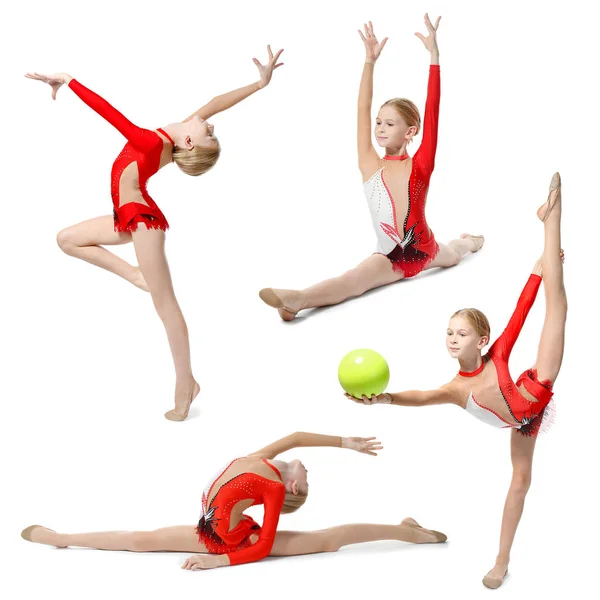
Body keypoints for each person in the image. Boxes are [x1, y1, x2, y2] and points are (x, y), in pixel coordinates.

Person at [25, 46, 284, 420]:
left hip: (143, 221)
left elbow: (110, 114)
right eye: (211, 130)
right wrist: (259, 85)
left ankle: (186, 386)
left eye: (209, 134)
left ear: (190, 144)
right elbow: (215, 103)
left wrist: (69, 81)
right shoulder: (173, 136)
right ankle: (134, 274)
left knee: (166, 306)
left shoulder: (151, 141)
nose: (210, 124)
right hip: (125, 217)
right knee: (67, 239)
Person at [347, 173, 566, 589]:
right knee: (519, 483)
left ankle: (550, 222)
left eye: (461, 334)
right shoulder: (456, 388)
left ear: (482, 340)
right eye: (449, 333)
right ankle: (502, 561)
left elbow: (521, 313)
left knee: (557, 305)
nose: (452, 339)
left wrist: (537, 273)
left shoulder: (496, 355)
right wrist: (384, 399)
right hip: (524, 422)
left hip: (535, 387)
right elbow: (421, 396)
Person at [259, 16, 483, 321]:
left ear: (410, 132)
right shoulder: (370, 164)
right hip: (391, 259)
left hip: (426, 249)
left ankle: (471, 240)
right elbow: (362, 108)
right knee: (353, 281)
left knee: (455, 254)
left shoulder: (420, 165)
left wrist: (434, 56)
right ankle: (297, 299)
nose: (380, 129)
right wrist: (369, 61)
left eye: (390, 124)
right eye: (379, 123)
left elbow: (433, 110)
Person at [21, 431, 446, 569]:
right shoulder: (264, 459)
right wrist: (345, 442)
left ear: (294, 488)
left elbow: (262, 547)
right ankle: (61, 537)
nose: (307, 467)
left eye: (308, 476)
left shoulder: (275, 489)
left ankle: (404, 531)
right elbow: (298, 436)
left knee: (329, 539)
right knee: (139, 537)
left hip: (227, 544)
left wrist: (216, 561)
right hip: (209, 528)